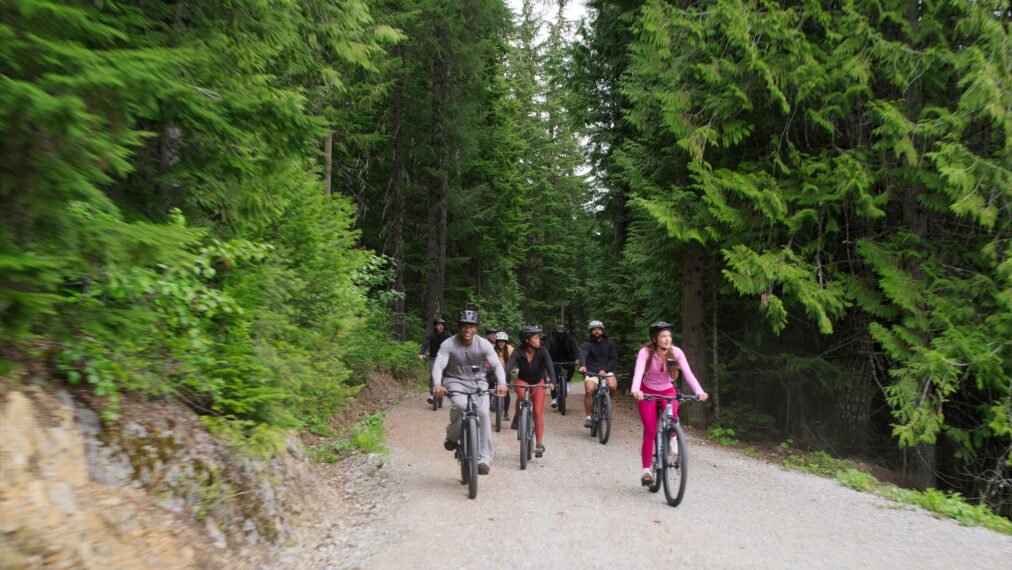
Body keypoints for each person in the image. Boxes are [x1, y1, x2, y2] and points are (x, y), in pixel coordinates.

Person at [631, 321, 708, 485]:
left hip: (668, 391)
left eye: (669, 336)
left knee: (673, 419)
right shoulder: (645, 353)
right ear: (654, 339)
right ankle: (646, 471)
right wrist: (636, 390)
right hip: (647, 391)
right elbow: (638, 373)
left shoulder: (676, 352)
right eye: (663, 336)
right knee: (650, 430)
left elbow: (688, 373)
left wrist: (699, 391)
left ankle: (673, 437)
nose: (667, 339)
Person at [432, 310, 508, 475]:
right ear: (459, 327)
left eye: (471, 327)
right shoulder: (448, 344)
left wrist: (501, 382)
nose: (467, 330)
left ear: (476, 329)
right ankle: (452, 436)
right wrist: (437, 384)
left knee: (483, 413)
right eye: (464, 326)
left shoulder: (483, 344)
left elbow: (496, 365)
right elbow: (438, 365)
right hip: (454, 381)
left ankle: (484, 458)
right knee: (460, 405)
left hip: (478, 382)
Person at [503, 326, 557, 458]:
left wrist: (553, 381)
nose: (539, 340)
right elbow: (508, 367)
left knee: (538, 412)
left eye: (538, 337)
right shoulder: (517, 352)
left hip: (538, 381)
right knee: (524, 399)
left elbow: (550, 366)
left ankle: (539, 444)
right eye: (535, 338)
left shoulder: (543, 351)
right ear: (527, 340)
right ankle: (523, 415)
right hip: (522, 381)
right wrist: (502, 381)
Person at [579, 320, 618, 428]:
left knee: (613, 385)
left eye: (599, 329)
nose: (597, 331)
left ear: (602, 330)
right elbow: (583, 354)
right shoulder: (587, 344)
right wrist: (583, 365)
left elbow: (613, 358)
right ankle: (588, 417)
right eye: (594, 329)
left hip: (606, 370)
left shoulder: (609, 343)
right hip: (591, 371)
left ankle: (607, 403)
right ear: (591, 332)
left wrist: (604, 370)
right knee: (589, 390)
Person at [418, 317, 453, 403]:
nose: (441, 327)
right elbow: (425, 345)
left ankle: (445, 388)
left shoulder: (447, 334)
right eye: (438, 325)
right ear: (435, 326)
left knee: (445, 374)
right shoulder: (431, 334)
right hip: (433, 357)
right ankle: (431, 394)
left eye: (442, 325)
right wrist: (421, 353)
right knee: (433, 375)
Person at [546, 325, 580, 409]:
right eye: (559, 334)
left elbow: (575, 350)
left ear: (565, 333)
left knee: (572, 366)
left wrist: (577, 359)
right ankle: (554, 399)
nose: (561, 335)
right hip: (555, 361)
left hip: (567, 361)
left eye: (562, 334)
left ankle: (568, 382)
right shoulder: (552, 341)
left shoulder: (570, 341)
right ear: (557, 334)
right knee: (553, 380)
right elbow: (546, 351)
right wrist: (546, 360)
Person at [492, 331, 514, 422]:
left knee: (507, 392)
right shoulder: (492, 348)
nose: (501, 343)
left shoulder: (509, 349)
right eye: (499, 341)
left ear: (506, 342)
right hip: (493, 372)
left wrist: (518, 368)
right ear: (496, 342)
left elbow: (517, 358)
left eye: (503, 341)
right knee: (490, 387)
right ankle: (491, 403)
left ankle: (505, 413)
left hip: (506, 372)